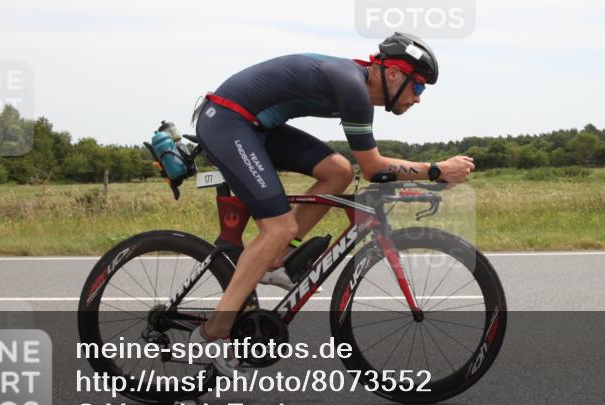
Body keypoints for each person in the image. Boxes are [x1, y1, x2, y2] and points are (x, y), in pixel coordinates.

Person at [189, 32, 474, 374]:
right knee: (279, 227)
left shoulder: (357, 86)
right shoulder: (353, 88)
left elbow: (363, 167)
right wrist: (435, 170)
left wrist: (429, 173)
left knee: (338, 172)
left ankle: (275, 262)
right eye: (419, 87)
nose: (418, 98)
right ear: (395, 74)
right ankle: (211, 334)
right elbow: (372, 167)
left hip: (254, 126)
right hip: (226, 120)